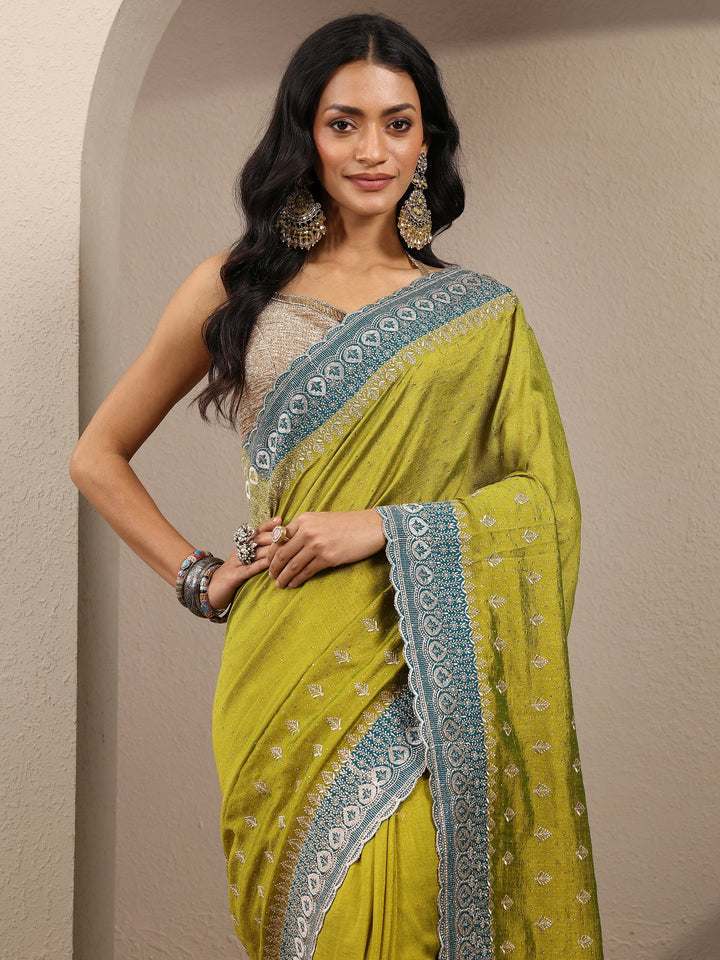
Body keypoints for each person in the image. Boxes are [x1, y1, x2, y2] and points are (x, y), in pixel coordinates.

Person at [71, 13, 604, 960]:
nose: (372, 150)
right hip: (283, 654)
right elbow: (97, 455)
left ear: (427, 142)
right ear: (304, 136)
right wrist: (200, 577)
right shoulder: (232, 287)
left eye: (398, 124)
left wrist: (382, 527)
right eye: (343, 123)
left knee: (409, 909)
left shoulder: (483, 316)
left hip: (419, 671)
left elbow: (546, 506)